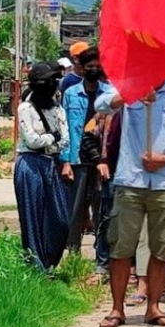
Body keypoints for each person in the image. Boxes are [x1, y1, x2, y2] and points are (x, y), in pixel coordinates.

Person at [95, 78, 165, 327]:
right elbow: (101, 105)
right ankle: (117, 309)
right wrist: (131, 93)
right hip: (130, 180)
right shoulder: (127, 88)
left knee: (162, 247)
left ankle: (153, 307)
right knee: (121, 247)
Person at [14, 63, 70, 272]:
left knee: (60, 218)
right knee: (32, 216)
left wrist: (47, 140)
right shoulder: (25, 108)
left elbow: (65, 140)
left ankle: (50, 260)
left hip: (51, 163)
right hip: (30, 164)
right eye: (46, 81)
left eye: (52, 81)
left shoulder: (57, 108)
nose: (50, 85)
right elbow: (31, 141)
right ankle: (37, 266)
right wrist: (50, 138)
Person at [60, 47, 110, 260]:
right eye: (90, 67)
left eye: (98, 67)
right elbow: (65, 128)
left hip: (103, 160)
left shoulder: (109, 93)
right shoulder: (71, 93)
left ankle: (102, 256)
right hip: (77, 158)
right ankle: (73, 255)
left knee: (101, 210)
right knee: (75, 209)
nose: (94, 70)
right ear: (81, 68)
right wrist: (66, 161)